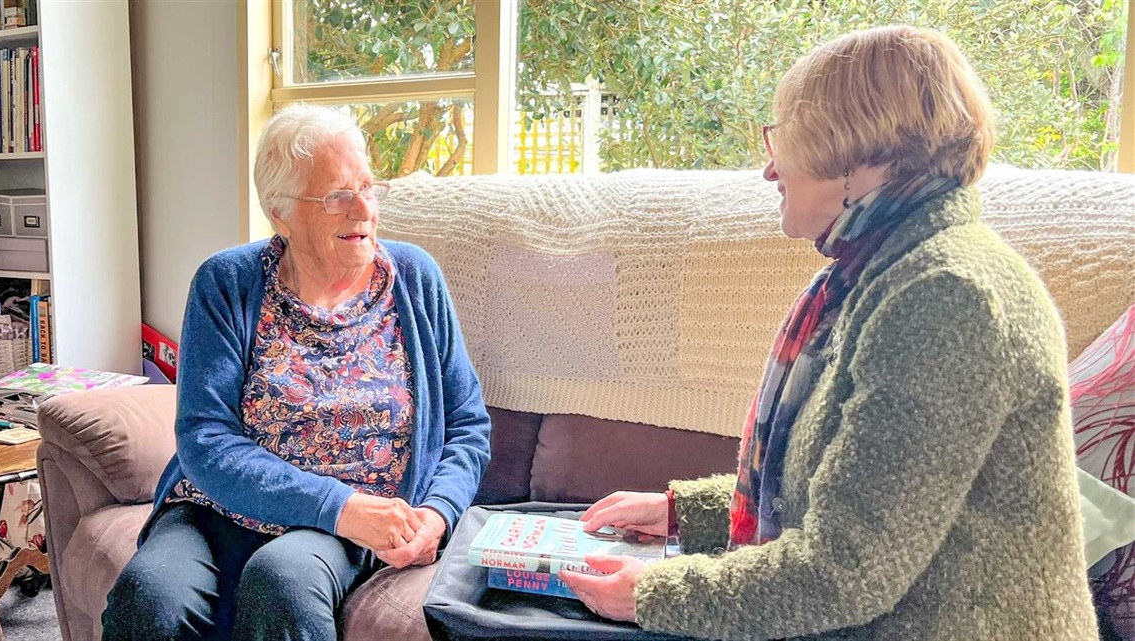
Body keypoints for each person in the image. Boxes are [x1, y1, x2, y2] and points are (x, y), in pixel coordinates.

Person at [562, 25, 1098, 640]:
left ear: (855, 156)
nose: (769, 169)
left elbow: (848, 568)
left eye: (783, 139)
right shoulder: (879, 274)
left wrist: (655, 593)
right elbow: (847, 491)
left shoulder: (944, 295)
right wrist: (686, 513)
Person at [102, 105, 491, 641]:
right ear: (280, 214)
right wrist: (338, 505)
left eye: (366, 187)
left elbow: (467, 425)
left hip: (357, 519)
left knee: (283, 576)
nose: (362, 209)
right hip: (219, 510)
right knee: (150, 594)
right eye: (335, 195)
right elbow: (206, 441)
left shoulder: (415, 278)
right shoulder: (226, 283)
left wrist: (438, 512)